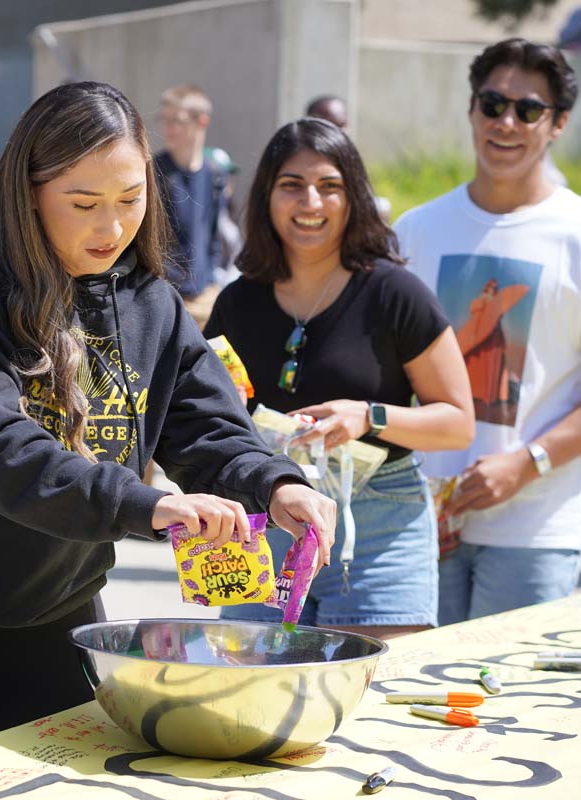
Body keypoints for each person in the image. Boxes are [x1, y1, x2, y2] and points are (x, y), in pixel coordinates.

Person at [0, 81, 337, 785]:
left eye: (130, 199)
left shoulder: (152, 304)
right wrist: (149, 507)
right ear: (29, 191)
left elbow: (208, 428)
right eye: (84, 204)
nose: (111, 228)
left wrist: (276, 482)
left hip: (51, 625)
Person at [395, 38, 581, 625]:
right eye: (492, 104)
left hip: (536, 529)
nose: (506, 122)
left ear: (558, 123)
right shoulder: (415, 230)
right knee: (408, 704)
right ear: (471, 110)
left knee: (508, 706)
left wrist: (526, 463)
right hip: (419, 520)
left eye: (529, 109)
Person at [207, 118, 474, 639]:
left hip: (377, 526)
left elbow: (458, 423)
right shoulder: (237, 303)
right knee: (257, 703)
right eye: (292, 186)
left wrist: (367, 416)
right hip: (265, 517)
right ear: (266, 196)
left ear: (353, 197)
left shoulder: (396, 293)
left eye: (330, 186)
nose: (311, 202)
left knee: (375, 706)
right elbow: (211, 417)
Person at [153, 84, 231, 327]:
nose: (168, 128)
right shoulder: (153, 171)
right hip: (165, 297)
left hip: (204, 295)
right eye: (164, 119)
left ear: (202, 122)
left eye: (177, 120)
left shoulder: (215, 173)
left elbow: (214, 234)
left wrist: (212, 281)